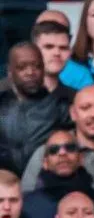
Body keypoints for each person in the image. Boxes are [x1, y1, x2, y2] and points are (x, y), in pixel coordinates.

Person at [0, 43, 71, 175]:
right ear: (10, 72)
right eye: (22, 67)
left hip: (44, 181)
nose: (30, 72)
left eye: (36, 66)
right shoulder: (2, 104)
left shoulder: (60, 107)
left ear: (43, 69)